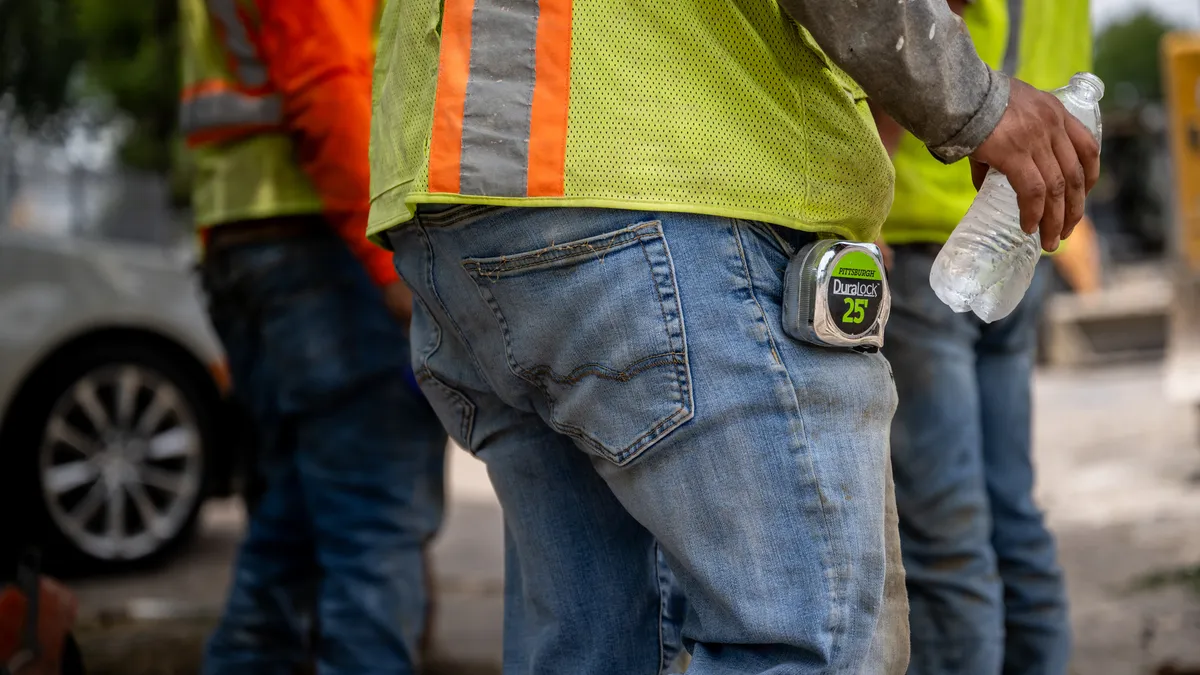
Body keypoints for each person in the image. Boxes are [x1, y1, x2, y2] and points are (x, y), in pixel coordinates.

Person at [368, 0, 1100, 671]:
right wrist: (978, 103)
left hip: (458, 197)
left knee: (597, 649)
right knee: (805, 634)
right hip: (659, 187)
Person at [178, 0, 448, 672]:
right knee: (372, 522)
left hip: (246, 236)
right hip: (325, 245)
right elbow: (327, 84)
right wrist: (387, 264)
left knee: (294, 522)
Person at [874, 1, 1092, 673]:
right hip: (1023, 232)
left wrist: (862, 203)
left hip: (932, 234)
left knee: (947, 539)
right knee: (1011, 515)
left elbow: (908, 26)